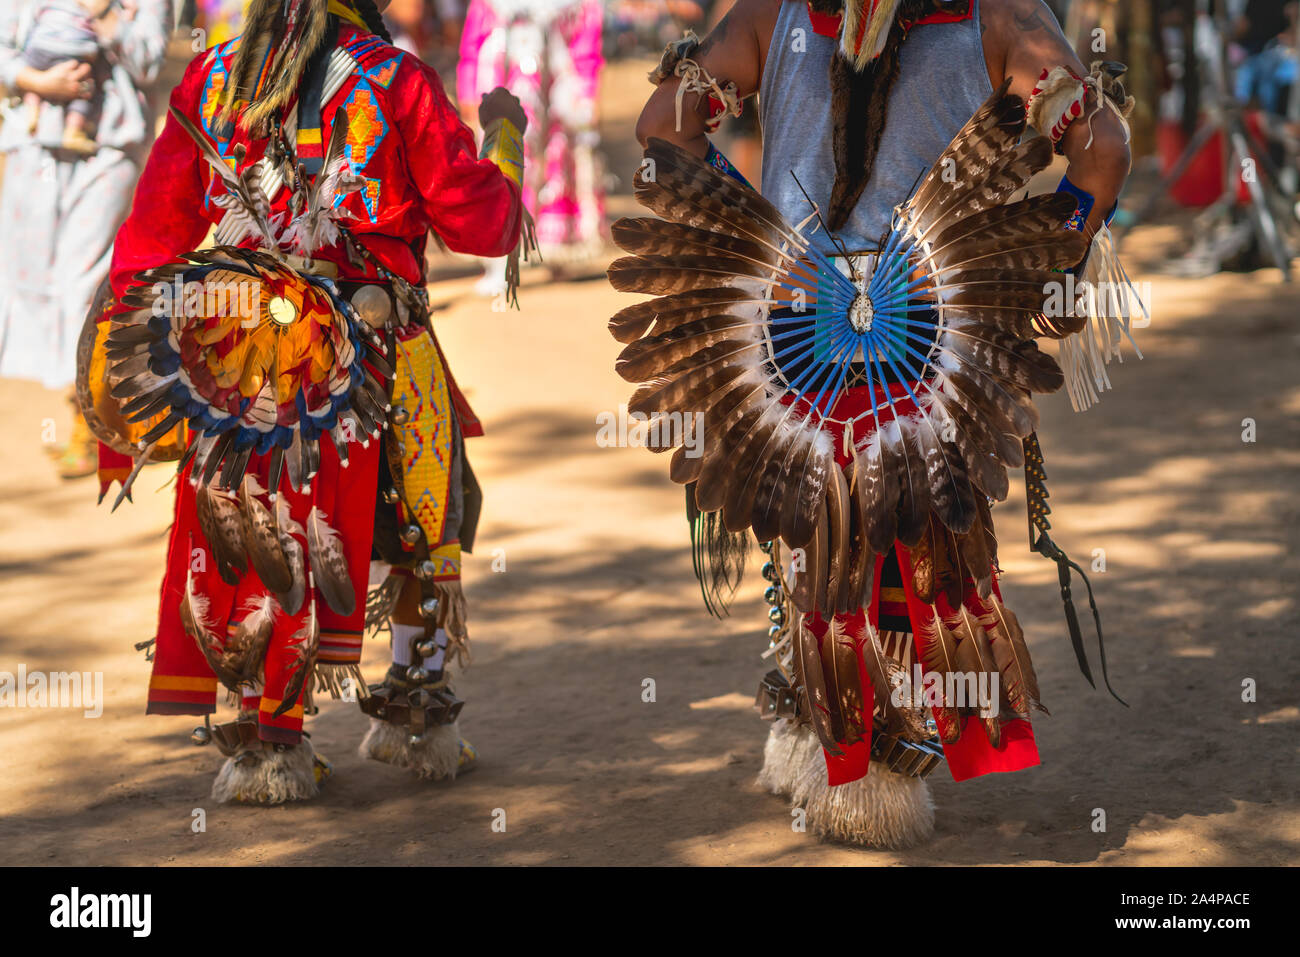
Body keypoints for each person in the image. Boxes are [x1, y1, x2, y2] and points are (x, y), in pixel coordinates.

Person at [630, 0, 1135, 847]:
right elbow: (1106, 148)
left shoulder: (774, 14)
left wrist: (757, 239)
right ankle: (872, 775)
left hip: (788, 329)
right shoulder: (1000, 21)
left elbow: (663, 128)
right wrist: (1050, 262)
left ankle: (820, 738)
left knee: (816, 533)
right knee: (910, 535)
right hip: (927, 330)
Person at [96, 0, 528, 803]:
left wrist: (138, 337)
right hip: (370, 354)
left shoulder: (214, 76)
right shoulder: (395, 79)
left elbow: (152, 234)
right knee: (426, 516)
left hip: (241, 363)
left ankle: (266, 749)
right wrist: (504, 136)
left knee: (256, 529)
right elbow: (481, 221)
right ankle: (418, 720)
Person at [0, 0, 172, 477]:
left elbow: (151, 62)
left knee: (84, 282)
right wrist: (37, 83)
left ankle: (95, 426)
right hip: (33, 143)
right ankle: (81, 412)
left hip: (109, 148)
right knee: (37, 281)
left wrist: (104, 14)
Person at [457, 0, 605, 291]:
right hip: (500, 85)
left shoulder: (578, 6)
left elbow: (587, 45)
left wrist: (588, 91)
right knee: (501, 166)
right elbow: (472, 44)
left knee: (559, 161)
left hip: (559, 89)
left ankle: (556, 246)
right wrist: (467, 89)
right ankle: (502, 258)